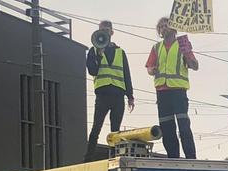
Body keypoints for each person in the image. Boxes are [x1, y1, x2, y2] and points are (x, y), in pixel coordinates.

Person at [146, 17, 198, 159]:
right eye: (160, 27)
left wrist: (188, 55)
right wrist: (152, 70)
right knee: (167, 127)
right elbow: (149, 67)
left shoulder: (182, 44)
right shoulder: (157, 48)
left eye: (165, 26)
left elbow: (195, 66)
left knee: (183, 126)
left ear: (173, 28)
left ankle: (191, 157)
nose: (163, 29)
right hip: (162, 92)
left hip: (178, 91)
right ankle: (173, 157)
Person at [84, 20, 135, 161]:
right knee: (97, 127)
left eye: (107, 30)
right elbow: (92, 71)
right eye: (103, 30)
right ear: (98, 32)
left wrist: (130, 95)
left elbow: (126, 74)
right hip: (103, 95)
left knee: (115, 130)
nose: (105, 32)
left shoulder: (120, 52)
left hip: (118, 95)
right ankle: (88, 158)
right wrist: (99, 55)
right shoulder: (93, 51)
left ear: (112, 32)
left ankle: (114, 157)